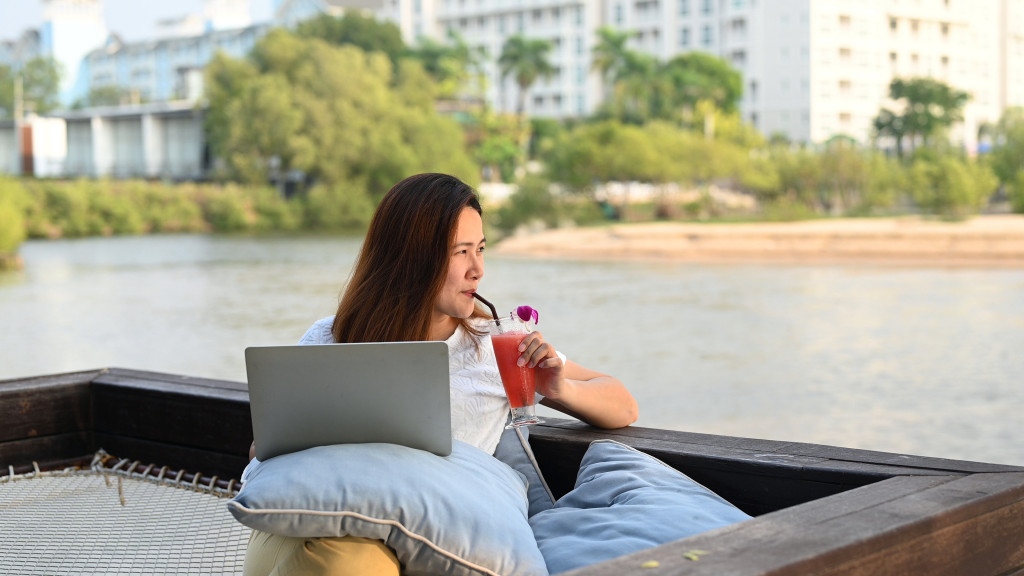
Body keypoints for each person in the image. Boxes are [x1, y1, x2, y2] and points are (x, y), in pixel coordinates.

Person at [244, 173, 638, 575]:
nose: (478, 269)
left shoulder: (496, 346)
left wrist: (559, 388)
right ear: (410, 258)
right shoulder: (332, 337)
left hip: (432, 544)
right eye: (460, 252)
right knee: (344, 557)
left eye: (481, 249)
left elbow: (623, 404)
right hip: (314, 525)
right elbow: (264, 450)